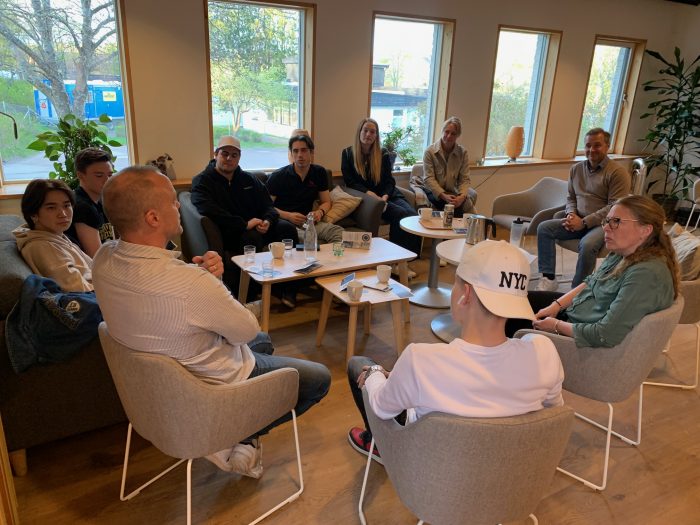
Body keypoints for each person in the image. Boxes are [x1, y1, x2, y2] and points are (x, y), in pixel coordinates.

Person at [93, 166, 331, 478]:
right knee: (318, 378)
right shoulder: (188, 283)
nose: (178, 205)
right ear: (153, 218)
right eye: (172, 201)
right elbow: (245, 329)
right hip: (209, 392)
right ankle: (234, 434)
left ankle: (243, 426)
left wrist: (203, 283)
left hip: (153, 390)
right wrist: (211, 283)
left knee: (264, 343)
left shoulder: (103, 258)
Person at [346, 240, 564, 463]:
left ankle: (379, 445)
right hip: (507, 472)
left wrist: (375, 372)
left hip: (425, 469)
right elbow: (552, 412)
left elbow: (381, 408)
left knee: (359, 365)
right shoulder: (543, 352)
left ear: (465, 294)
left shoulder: (420, 361)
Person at [507, 195, 679, 348]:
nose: (606, 228)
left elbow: (605, 334)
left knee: (502, 319)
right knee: (511, 301)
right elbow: (590, 282)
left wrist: (555, 325)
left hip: (578, 337)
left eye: (616, 221)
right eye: (607, 221)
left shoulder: (646, 274)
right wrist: (556, 305)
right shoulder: (622, 252)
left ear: (645, 230)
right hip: (575, 313)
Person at [536, 128, 631, 290]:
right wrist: (571, 214)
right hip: (578, 220)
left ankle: (577, 290)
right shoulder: (576, 169)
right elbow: (571, 197)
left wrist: (584, 222)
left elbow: (615, 207)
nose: (591, 150)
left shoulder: (617, 173)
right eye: (588, 145)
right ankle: (549, 279)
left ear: (607, 146)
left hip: (603, 224)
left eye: (597, 145)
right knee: (544, 228)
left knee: (587, 245)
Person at [267, 134, 344, 308]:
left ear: (311, 153)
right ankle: (291, 289)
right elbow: (267, 207)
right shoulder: (278, 176)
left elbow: (326, 201)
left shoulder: (319, 172)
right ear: (291, 154)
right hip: (286, 223)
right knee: (305, 240)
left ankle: (333, 278)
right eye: (295, 151)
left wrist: (320, 212)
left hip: (309, 222)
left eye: (303, 150)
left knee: (339, 233)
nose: (299, 155)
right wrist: (288, 215)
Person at [191, 135, 298, 256]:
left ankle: (292, 267)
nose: (229, 158)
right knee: (251, 238)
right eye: (224, 154)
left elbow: (268, 205)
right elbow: (209, 210)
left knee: (287, 229)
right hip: (230, 230)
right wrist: (244, 225)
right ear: (216, 154)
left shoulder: (249, 179)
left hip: (257, 226)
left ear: (239, 158)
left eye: (234, 155)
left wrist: (268, 220)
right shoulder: (202, 181)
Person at [341, 118, 421, 274]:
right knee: (400, 214)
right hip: (368, 200)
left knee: (412, 216)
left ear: (376, 136)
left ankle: (405, 260)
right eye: (365, 130)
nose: (368, 134)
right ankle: (395, 261)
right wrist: (370, 194)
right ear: (359, 132)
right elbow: (350, 182)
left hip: (387, 195)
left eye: (372, 132)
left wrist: (384, 196)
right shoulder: (348, 153)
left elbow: (389, 181)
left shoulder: (382, 154)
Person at [13, 179, 93, 292]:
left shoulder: (55, 236)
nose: (63, 214)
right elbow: (78, 289)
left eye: (66, 205)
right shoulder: (43, 247)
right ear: (33, 214)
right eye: (51, 207)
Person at [413, 116, 475, 216]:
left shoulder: (463, 153)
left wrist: (461, 197)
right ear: (442, 131)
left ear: (458, 135)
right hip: (433, 192)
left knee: (465, 206)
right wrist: (443, 195)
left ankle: (477, 224)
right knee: (453, 210)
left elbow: (465, 179)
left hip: (451, 192)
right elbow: (429, 179)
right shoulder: (430, 152)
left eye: (453, 134)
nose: (449, 136)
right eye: (447, 132)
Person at [65, 147, 116, 257]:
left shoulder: (100, 201)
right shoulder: (82, 207)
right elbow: (96, 256)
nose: (107, 181)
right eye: (99, 175)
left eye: (110, 175)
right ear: (80, 175)